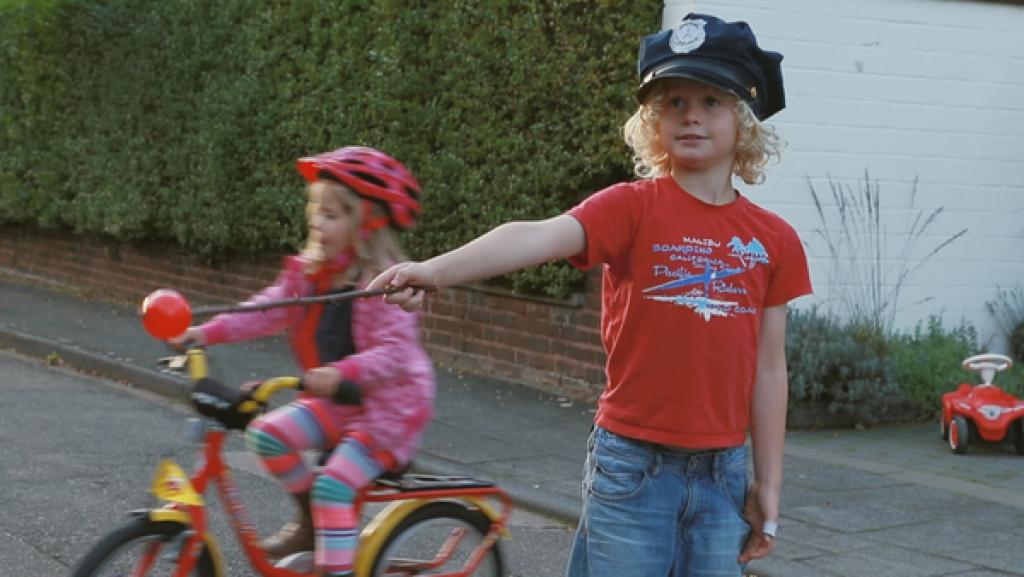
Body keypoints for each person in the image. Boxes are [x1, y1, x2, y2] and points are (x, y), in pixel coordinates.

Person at [368, 13, 812, 577]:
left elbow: (770, 370)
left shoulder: (775, 240)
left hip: (723, 478)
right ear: (653, 122)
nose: (691, 115)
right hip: (632, 470)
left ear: (744, 120)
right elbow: (536, 234)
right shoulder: (631, 207)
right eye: (673, 102)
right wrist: (434, 271)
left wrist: (767, 485)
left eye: (711, 100)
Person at [171, 146, 435, 577]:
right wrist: (206, 332)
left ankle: (337, 566)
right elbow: (266, 309)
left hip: (388, 412)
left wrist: (341, 371)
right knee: (266, 435)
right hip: (338, 401)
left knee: (333, 487)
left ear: (364, 222)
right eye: (315, 212)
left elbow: (395, 353)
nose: (317, 223)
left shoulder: (383, 282)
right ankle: (313, 523)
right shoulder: (312, 273)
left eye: (331, 215)